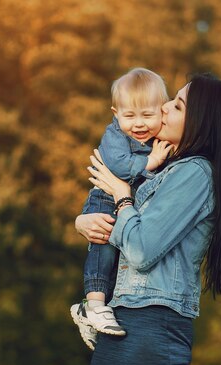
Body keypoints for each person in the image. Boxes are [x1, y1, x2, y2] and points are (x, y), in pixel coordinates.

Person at [74, 73, 221, 365]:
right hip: (122, 313)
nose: (165, 108)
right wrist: (84, 221)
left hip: (154, 324)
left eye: (178, 104)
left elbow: (140, 249)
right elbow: (122, 227)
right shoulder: (163, 168)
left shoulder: (196, 173)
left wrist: (122, 197)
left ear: (202, 120)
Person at [70, 68, 173, 350]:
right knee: (103, 247)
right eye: (129, 116)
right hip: (104, 197)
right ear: (116, 113)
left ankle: (89, 311)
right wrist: (150, 163)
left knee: (120, 259)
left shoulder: (163, 138)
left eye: (147, 115)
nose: (138, 124)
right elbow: (116, 166)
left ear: (162, 111)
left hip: (127, 202)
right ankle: (94, 304)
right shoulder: (115, 135)